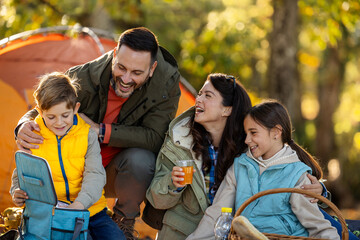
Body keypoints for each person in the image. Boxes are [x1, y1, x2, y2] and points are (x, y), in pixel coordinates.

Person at [14, 27, 181, 239]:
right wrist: (22, 125)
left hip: (116, 174)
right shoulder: (83, 77)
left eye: (137, 73)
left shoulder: (165, 85)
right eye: (121, 67)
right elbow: (44, 107)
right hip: (74, 176)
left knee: (141, 159)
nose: (126, 79)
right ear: (114, 56)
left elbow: (156, 137)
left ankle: (123, 222)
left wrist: (101, 131)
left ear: (152, 68)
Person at [145, 74, 324, 240]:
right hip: (187, 230)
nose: (198, 100)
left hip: (236, 232)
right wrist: (173, 184)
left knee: (330, 225)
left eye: (207, 95)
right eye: (199, 94)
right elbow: (156, 200)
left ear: (227, 110)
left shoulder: (250, 146)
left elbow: (288, 175)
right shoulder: (179, 140)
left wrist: (321, 192)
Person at [187, 100, 339, 240]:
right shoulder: (240, 166)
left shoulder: (296, 174)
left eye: (253, 133)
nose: (247, 140)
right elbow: (218, 211)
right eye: (246, 134)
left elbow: (317, 224)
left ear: (276, 132)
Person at [10, 72, 125, 240]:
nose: (59, 122)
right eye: (51, 117)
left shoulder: (86, 135)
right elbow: (22, 173)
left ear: (75, 108)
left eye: (65, 115)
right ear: (40, 112)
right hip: (50, 213)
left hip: (90, 209)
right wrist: (16, 192)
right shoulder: (34, 135)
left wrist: (79, 205)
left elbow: (95, 175)